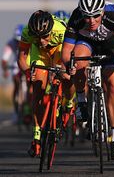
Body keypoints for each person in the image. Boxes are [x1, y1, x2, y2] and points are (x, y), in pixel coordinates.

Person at [61, 0, 114, 160]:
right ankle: (81, 101)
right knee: (77, 61)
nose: (91, 21)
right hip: (86, 43)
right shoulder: (76, 17)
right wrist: (68, 65)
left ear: (102, 11)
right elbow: (66, 51)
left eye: (95, 16)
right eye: (87, 17)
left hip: (110, 46)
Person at [18, 10, 74, 157]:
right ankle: (37, 135)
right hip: (40, 54)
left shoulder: (61, 30)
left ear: (50, 31)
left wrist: (63, 68)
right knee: (37, 87)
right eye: (38, 37)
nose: (42, 40)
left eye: (45, 36)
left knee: (66, 77)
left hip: (60, 49)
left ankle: (68, 103)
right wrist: (28, 72)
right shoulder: (27, 32)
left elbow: (68, 55)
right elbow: (22, 59)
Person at [2, 24, 29, 123]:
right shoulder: (11, 43)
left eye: (19, 41)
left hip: (27, 63)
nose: (18, 43)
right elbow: (5, 59)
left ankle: (28, 107)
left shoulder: (29, 40)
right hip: (16, 65)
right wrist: (5, 70)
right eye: (16, 41)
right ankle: (16, 108)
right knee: (16, 82)